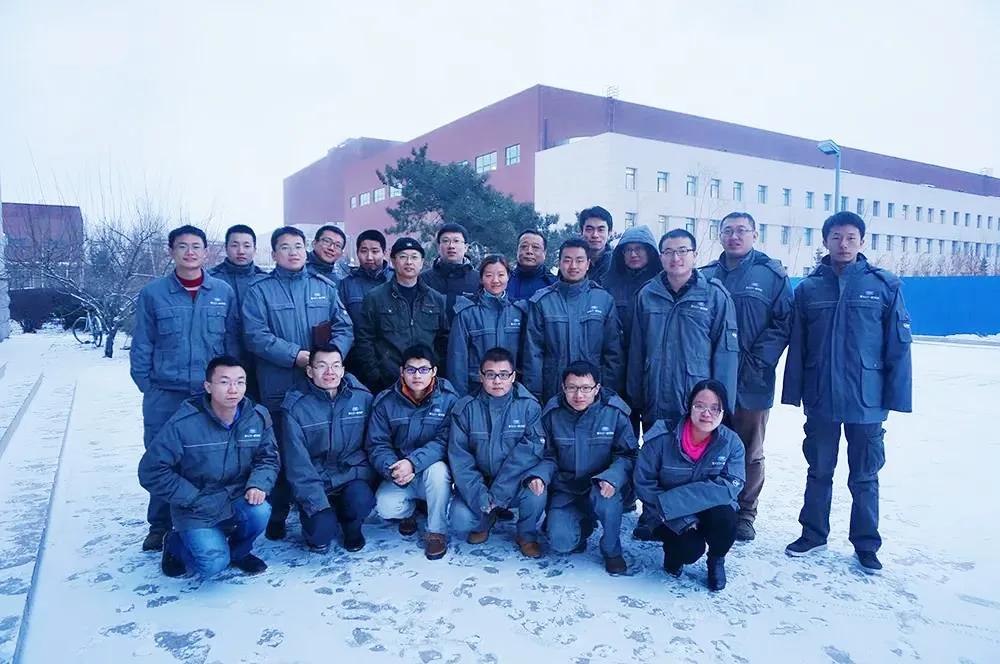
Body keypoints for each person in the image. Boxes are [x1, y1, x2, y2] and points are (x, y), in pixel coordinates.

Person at [782, 211, 912, 574]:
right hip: (821, 395)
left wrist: (896, 397)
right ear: (826, 241)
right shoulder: (808, 289)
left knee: (865, 475)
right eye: (836, 237)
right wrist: (794, 392)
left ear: (862, 241)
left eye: (851, 237)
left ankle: (866, 544)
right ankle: (813, 534)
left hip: (867, 398)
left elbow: (899, 345)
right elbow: (798, 345)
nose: (843, 244)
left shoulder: (884, 286)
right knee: (819, 469)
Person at [131, 224, 240, 551]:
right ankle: (160, 525)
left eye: (196, 246)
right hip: (165, 394)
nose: (190, 252)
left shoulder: (222, 292)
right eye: (182, 246)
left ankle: (208, 520)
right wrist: (148, 386)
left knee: (208, 459)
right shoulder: (153, 294)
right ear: (171, 251)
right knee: (162, 458)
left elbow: (231, 344)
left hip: (208, 395)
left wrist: (227, 387)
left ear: (206, 252)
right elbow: (142, 344)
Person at [241, 226, 354, 539]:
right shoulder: (260, 290)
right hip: (280, 384)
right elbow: (255, 335)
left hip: (319, 387)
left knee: (317, 446)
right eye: (285, 247)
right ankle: (278, 513)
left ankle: (320, 508)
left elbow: (344, 328)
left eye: (298, 246)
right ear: (274, 253)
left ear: (306, 249)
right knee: (279, 449)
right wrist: (297, 356)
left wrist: (328, 358)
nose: (293, 252)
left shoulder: (324, 287)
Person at [138, 356, 279, 578]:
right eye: (224, 382)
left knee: (261, 511)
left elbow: (268, 457)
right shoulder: (184, 423)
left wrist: (258, 484)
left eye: (240, 382)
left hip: (236, 494)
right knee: (213, 565)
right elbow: (151, 470)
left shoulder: (256, 416)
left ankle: (239, 552)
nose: (233, 389)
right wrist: (192, 497)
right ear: (208, 386)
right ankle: (174, 544)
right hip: (196, 504)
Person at [700, 212, 793, 542]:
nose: (734, 236)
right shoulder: (705, 275)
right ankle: (710, 507)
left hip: (753, 379)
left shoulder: (771, 275)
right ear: (720, 235)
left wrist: (757, 361)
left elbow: (783, 323)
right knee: (707, 444)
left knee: (749, 449)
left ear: (755, 234)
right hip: (710, 380)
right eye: (728, 230)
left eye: (742, 230)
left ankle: (745, 513)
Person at [633, 380, 746, 592]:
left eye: (715, 408)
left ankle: (716, 559)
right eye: (700, 406)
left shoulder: (731, 443)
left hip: (703, 509)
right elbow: (644, 483)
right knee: (689, 549)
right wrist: (683, 518)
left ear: (723, 412)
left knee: (727, 519)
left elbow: (732, 484)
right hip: (666, 514)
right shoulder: (661, 438)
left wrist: (677, 501)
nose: (707, 414)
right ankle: (673, 555)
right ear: (689, 406)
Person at [530, 361, 637, 575]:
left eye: (586, 388)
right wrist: (540, 475)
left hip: (601, 485)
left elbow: (627, 454)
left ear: (597, 388)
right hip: (566, 487)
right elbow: (548, 455)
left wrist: (612, 477)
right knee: (560, 542)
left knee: (607, 501)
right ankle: (582, 526)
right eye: (572, 388)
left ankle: (612, 550)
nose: (579, 395)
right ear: (563, 387)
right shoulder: (552, 414)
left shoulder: (614, 413)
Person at [627, 228, 738, 430]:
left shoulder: (714, 296)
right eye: (668, 252)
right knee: (656, 448)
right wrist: (635, 399)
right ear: (661, 257)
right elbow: (637, 351)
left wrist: (721, 404)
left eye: (682, 251)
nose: (675, 258)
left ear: (694, 255)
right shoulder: (647, 295)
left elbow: (725, 356)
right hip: (655, 399)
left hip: (698, 403)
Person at [448, 348, 547, 558]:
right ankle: (485, 519)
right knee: (460, 519)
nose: (497, 381)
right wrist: (481, 496)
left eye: (503, 374)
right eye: (490, 374)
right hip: (481, 483)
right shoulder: (465, 409)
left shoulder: (529, 406)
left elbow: (530, 451)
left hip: (516, 481)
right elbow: (460, 460)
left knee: (537, 491)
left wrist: (499, 492)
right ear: (481, 376)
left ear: (513, 376)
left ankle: (526, 535)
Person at [367, 344, 459, 560]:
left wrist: (413, 462)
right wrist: (392, 469)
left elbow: (445, 441)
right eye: (411, 370)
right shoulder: (386, 402)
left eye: (424, 369)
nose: (417, 375)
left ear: (434, 371)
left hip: (431, 469)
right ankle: (408, 512)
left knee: (438, 471)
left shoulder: (449, 400)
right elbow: (377, 443)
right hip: (401, 470)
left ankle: (436, 531)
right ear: (402, 371)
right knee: (385, 506)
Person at [281, 346, 375, 553]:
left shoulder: (362, 398)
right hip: (317, 480)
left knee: (361, 499)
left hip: (350, 474)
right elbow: (297, 464)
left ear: (343, 370)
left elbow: (373, 444)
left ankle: (352, 526)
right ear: (310, 371)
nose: (329, 372)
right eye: (322, 366)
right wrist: (316, 502)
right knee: (321, 533)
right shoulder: (296, 407)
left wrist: (363, 474)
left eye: (335, 366)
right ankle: (323, 519)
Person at [523, 237, 625, 407]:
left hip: (592, 392)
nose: (573, 266)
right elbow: (533, 353)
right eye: (567, 260)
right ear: (559, 263)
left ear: (588, 264)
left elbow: (613, 353)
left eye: (579, 260)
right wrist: (534, 395)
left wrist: (607, 392)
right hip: (553, 389)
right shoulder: (543, 301)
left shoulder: (603, 300)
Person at [353, 237, 449, 395]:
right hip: (387, 382)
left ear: (422, 262)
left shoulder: (435, 299)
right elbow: (364, 339)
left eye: (414, 257)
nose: (409, 262)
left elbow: (443, 340)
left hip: (425, 381)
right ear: (393, 261)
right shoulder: (375, 297)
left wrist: (434, 370)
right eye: (403, 257)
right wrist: (374, 374)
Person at [603, 224, 662, 435]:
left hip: (653, 370)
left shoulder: (663, 284)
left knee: (656, 436)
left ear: (650, 252)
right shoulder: (609, 285)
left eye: (639, 249)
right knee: (623, 433)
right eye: (628, 250)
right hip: (618, 370)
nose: (633, 254)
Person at [447, 254, 528, 396]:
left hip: (511, 390)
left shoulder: (519, 311)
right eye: (489, 275)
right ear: (481, 278)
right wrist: (459, 397)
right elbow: (457, 359)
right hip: (476, 390)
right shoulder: (466, 312)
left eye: (501, 275)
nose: (495, 280)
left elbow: (528, 356)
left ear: (508, 277)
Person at [209, 223, 267, 398]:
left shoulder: (265, 280)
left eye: (247, 245)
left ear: (255, 249)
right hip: (221, 360)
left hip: (259, 361)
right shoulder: (210, 281)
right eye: (235, 245)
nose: (241, 251)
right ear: (226, 248)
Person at [339, 229, 394, 378]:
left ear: (384, 253)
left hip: (393, 359)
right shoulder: (347, 285)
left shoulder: (396, 280)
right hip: (356, 360)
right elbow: (341, 323)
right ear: (357, 253)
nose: (369, 257)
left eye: (375, 251)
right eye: (364, 251)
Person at [420, 222, 480, 319]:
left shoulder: (478, 280)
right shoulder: (424, 279)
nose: (451, 246)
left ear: (466, 247)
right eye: (445, 241)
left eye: (456, 241)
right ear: (438, 247)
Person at [506, 229, 556, 301]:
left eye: (535, 247)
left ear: (544, 253)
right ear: (517, 251)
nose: (529, 251)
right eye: (524, 246)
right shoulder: (503, 281)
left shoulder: (554, 285)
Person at [578, 206, 614, 286]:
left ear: (609, 232)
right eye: (589, 229)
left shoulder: (617, 264)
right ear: (581, 231)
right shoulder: (573, 262)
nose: (595, 235)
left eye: (601, 230)